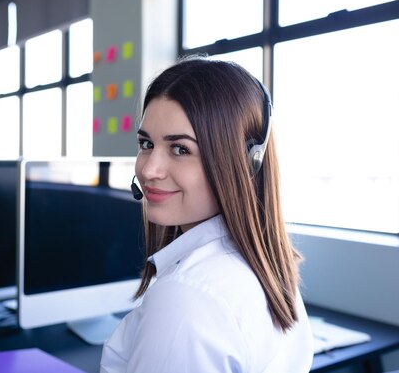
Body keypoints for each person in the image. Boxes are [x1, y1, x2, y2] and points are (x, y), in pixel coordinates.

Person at [100, 56, 313, 373]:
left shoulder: (186, 299)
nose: (148, 169)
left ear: (244, 163)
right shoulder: (270, 271)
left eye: (180, 149)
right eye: (146, 143)